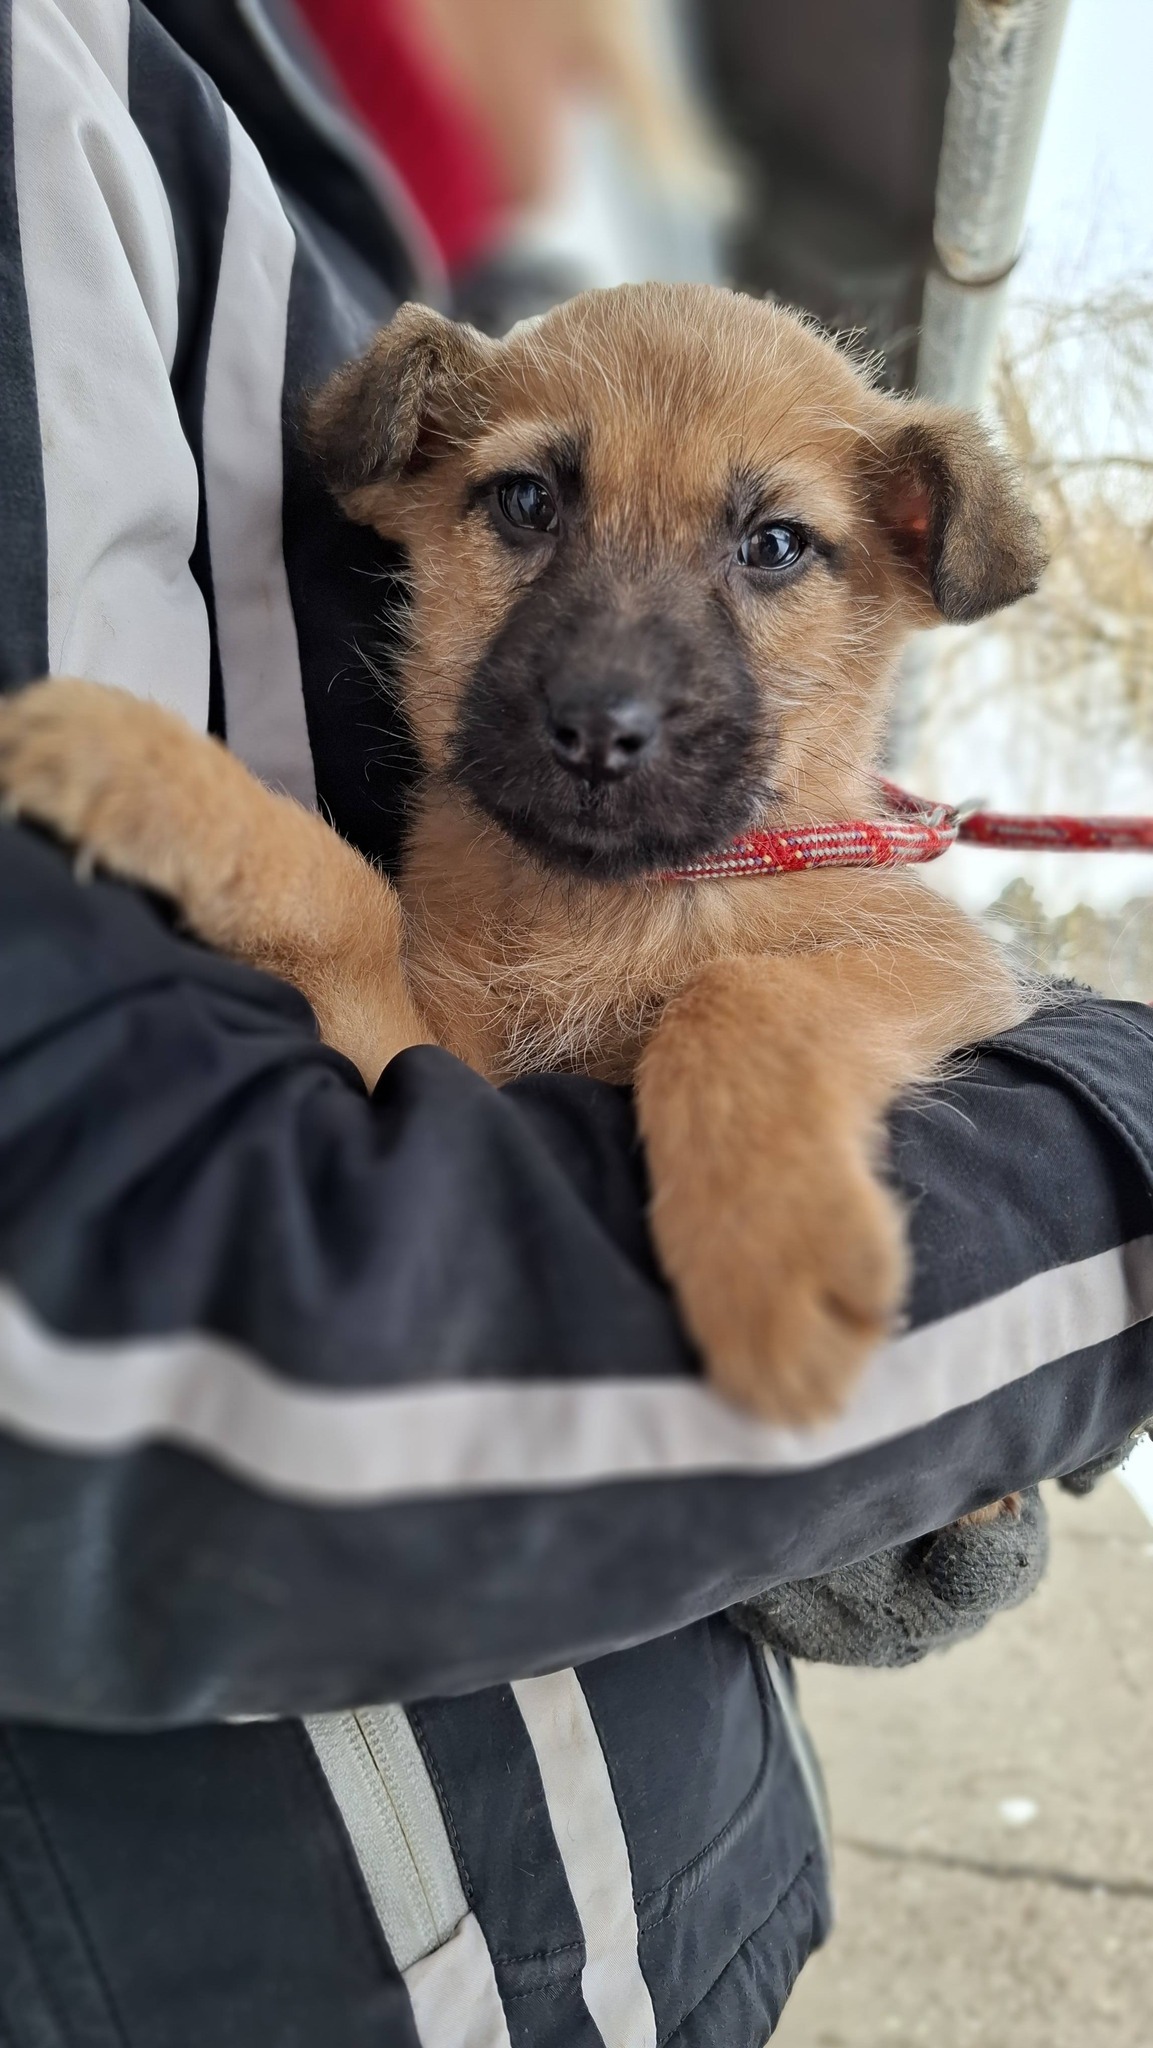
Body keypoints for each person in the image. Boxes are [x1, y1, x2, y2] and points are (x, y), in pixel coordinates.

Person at [1, 6, 1150, 2044]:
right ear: (413, 494)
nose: (616, 676)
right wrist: (256, 863)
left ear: (905, 565)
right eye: (528, 507)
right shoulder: (105, 117)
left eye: (770, 548)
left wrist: (757, 1055)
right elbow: (397, 1073)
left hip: (696, 1863)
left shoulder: (851, 900)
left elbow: (932, 992)